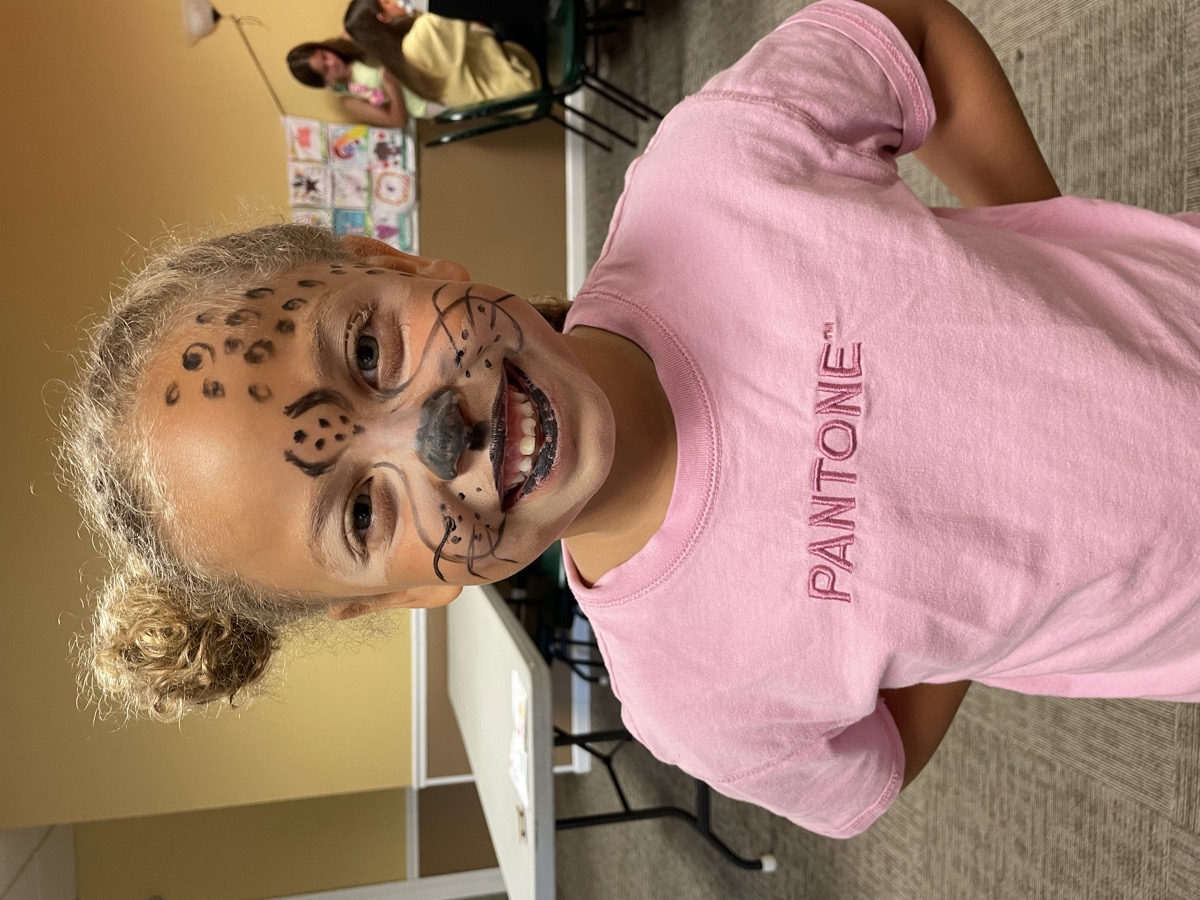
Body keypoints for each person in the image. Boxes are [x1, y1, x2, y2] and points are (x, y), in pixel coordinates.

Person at [63, 0, 1200, 840]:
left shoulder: (715, 176)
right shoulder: (696, 703)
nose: (429, 438)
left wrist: (1041, 231)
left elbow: (903, 39)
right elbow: (868, 771)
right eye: (361, 512)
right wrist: (952, 601)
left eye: (368, 351)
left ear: (395, 257)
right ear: (413, 593)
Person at [342, 0, 542, 114]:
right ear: (382, 17)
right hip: (521, 81)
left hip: (511, 98)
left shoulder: (406, 57)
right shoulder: (417, 44)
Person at [286, 38, 410, 127]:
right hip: (424, 102)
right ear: (324, 82)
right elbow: (397, 121)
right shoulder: (349, 100)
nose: (332, 62)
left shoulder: (348, 44)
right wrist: (392, 86)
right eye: (325, 69)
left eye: (324, 55)